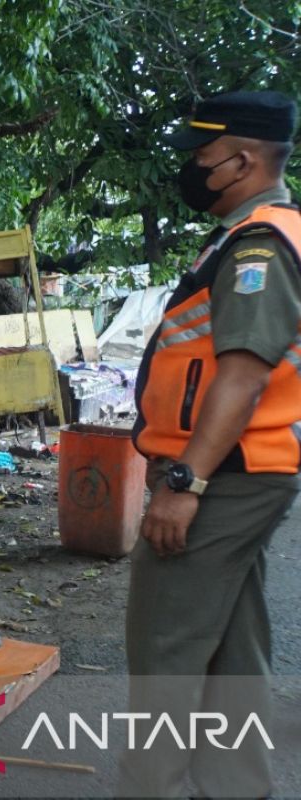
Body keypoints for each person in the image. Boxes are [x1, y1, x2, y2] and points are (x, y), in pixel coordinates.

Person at [121, 90, 301, 798]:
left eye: (202, 156)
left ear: (242, 159)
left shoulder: (260, 245)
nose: (192, 169)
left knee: (165, 650)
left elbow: (243, 376)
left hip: (225, 471)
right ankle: (237, 786)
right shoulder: (247, 234)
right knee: (229, 647)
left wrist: (183, 484)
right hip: (240, 468)